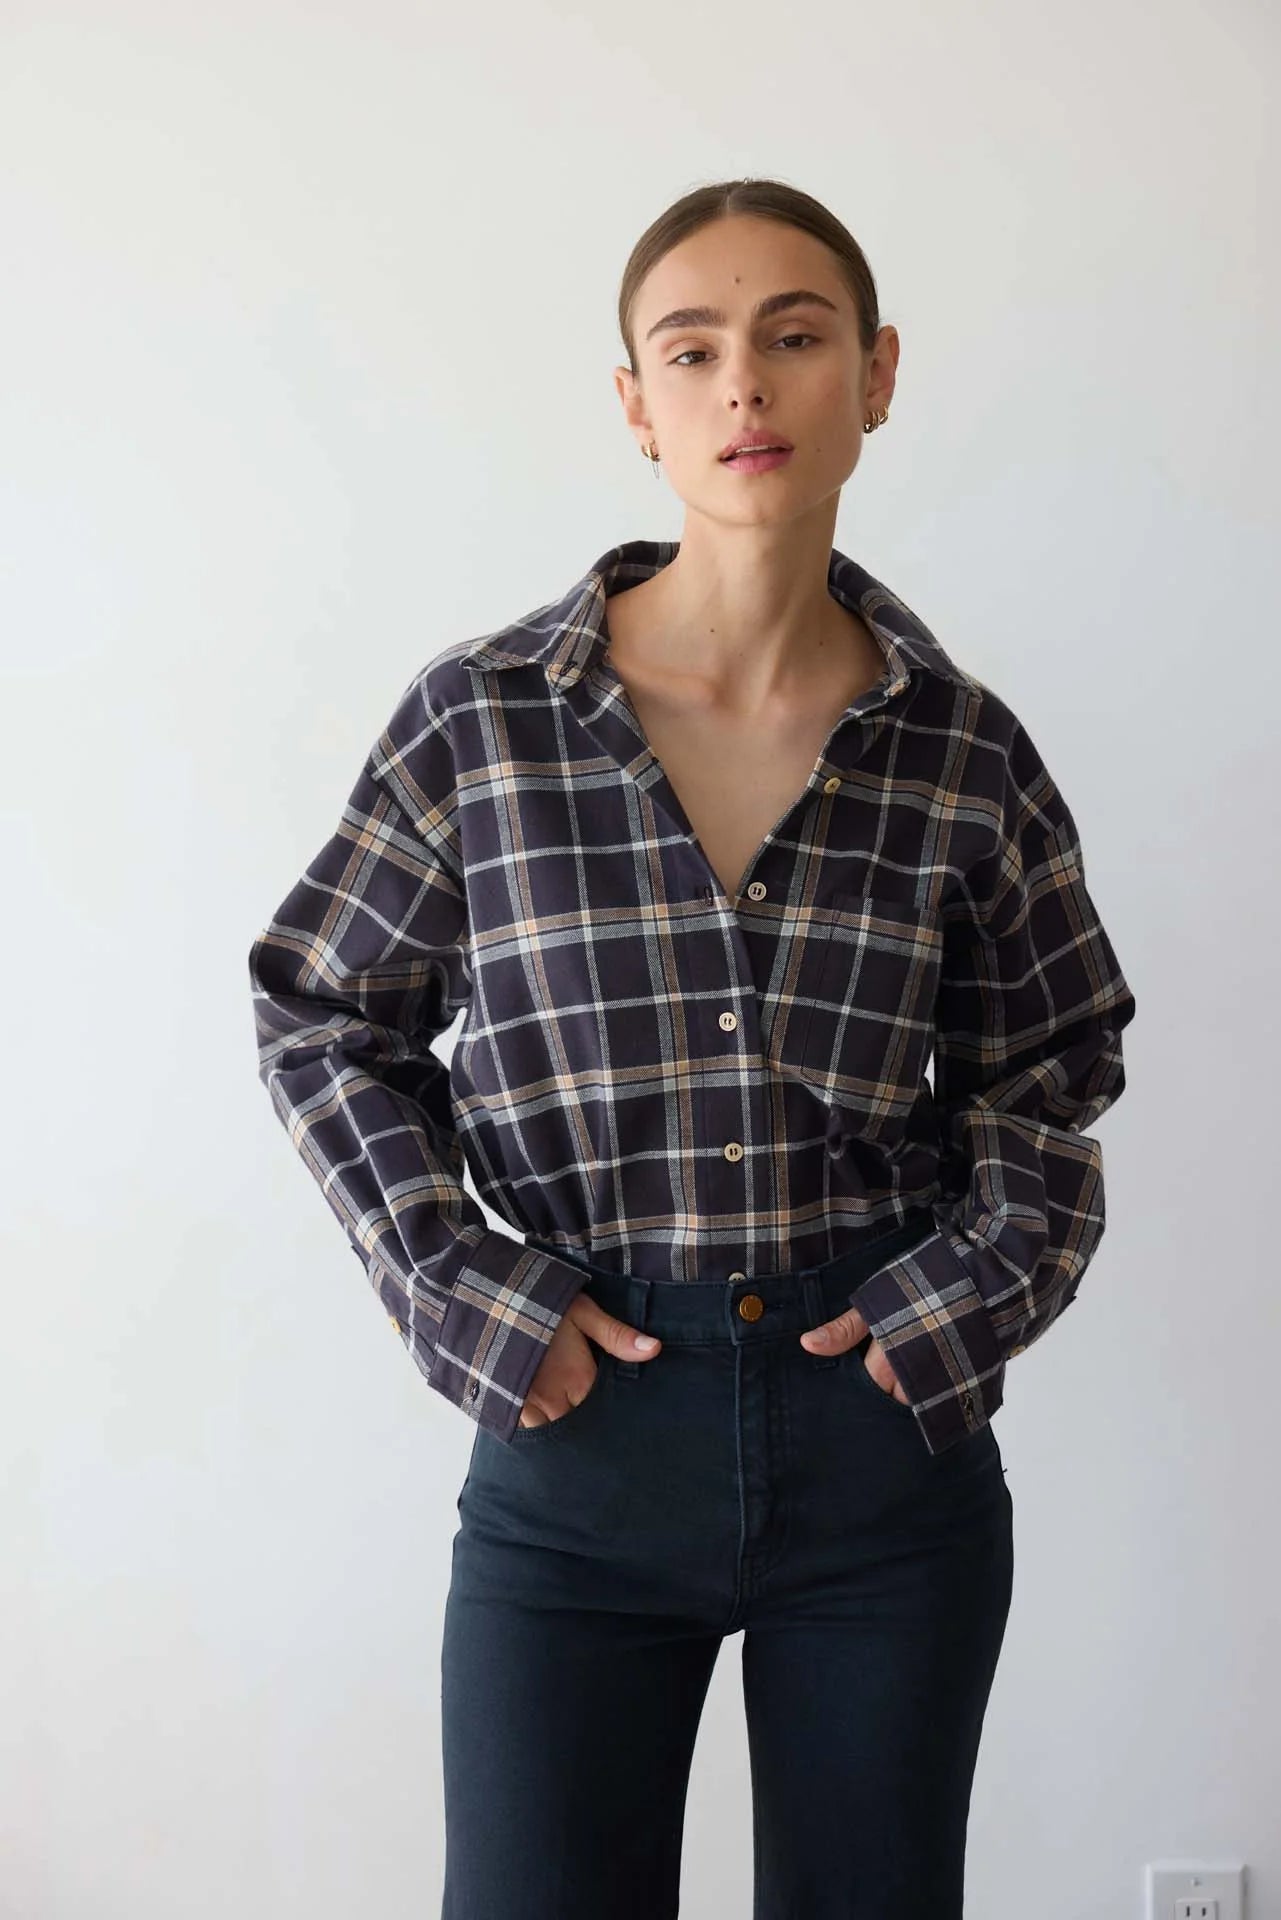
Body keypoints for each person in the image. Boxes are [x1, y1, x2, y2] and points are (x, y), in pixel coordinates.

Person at [247, 177, 1136, 1919]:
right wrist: (463, 1292)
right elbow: (323, 1014)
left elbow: (1053, 1067)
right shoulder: (484, 723)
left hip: (882, 1454)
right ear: (634, 404)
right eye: (692, 348)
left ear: (875, 376)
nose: (744, 384)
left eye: (793, 337)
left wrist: (956, 1304)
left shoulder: (960, 751)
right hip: (579, 1445)